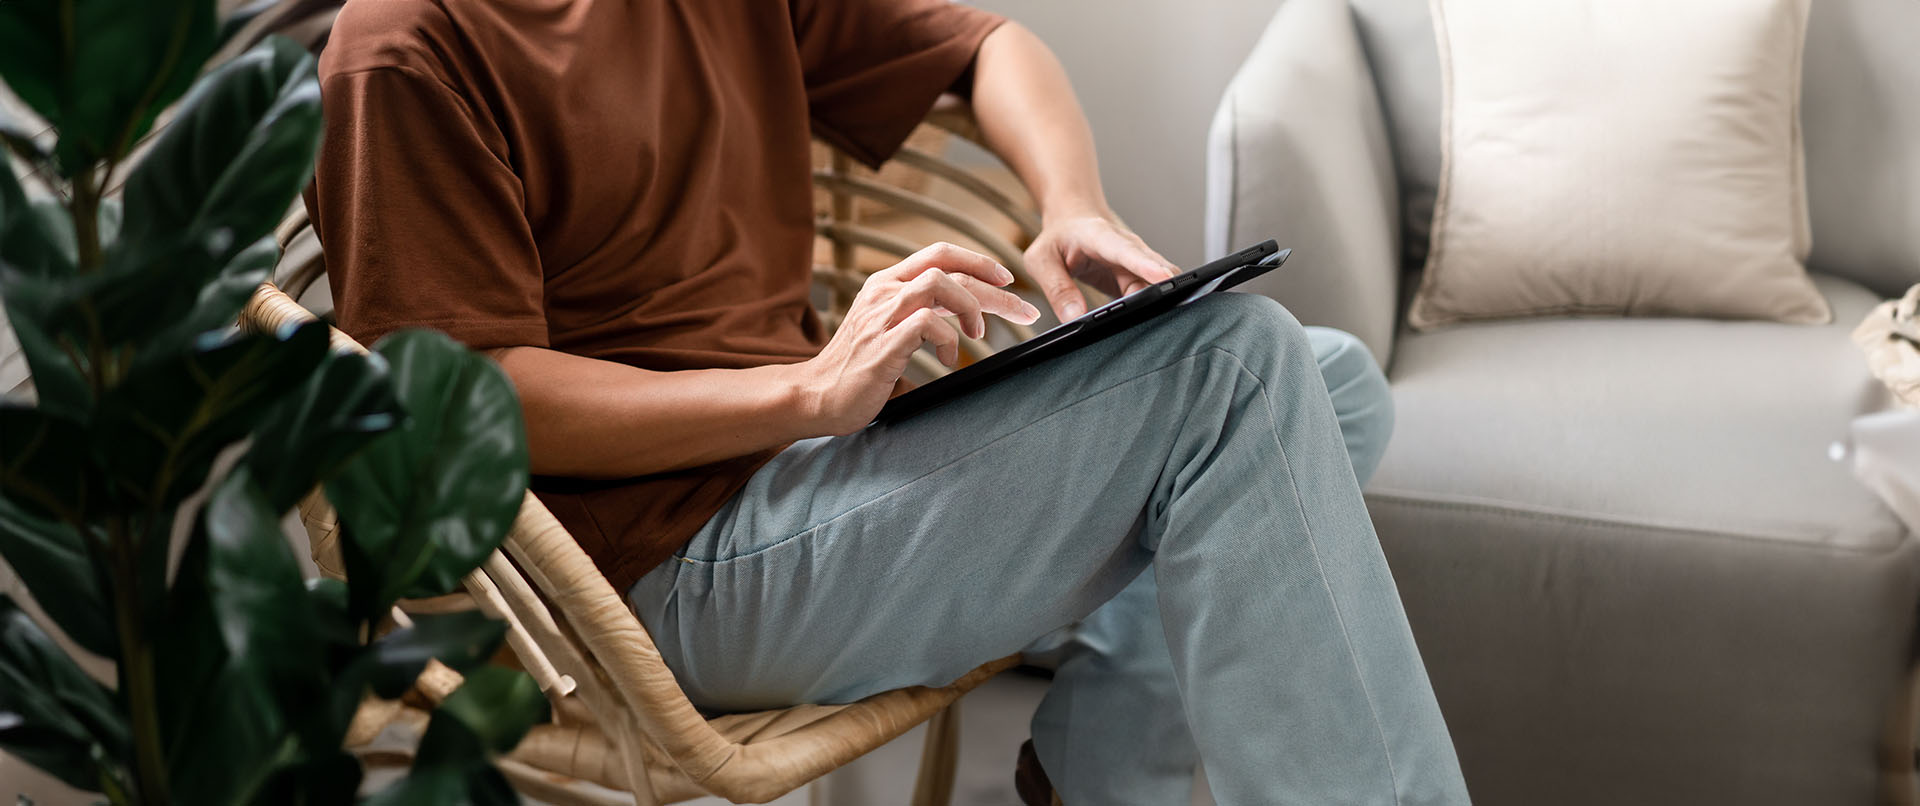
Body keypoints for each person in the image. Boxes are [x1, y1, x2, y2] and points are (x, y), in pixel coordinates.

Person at [308, 0, 1469, 802]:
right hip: (635, 562)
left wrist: (1069, 201)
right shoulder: (407, 44)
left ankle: (1100, 777)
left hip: (807, 479)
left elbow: (990, 46)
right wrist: (806, 390)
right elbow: (473, 399)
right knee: (1238, 370)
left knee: (1329, 383)